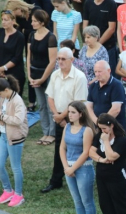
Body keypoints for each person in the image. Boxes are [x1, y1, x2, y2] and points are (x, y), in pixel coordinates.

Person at [42, 47, 88, 194]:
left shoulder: (79, 77)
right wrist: (57, 116)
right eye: (59, 59)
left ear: (72, 60)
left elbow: (78, 102)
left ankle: (78, 177)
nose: (60, 61)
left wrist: (62, 118)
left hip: (75, 117)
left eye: (63, 59)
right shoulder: (55, 75)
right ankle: (56, 181)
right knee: (59, 149)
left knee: (76, 148)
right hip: (58, 115)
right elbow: (50, 97)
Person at [89, 113, 126, 214]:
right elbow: (91, 152)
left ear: (111, 125)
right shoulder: (98, 137)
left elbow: (112, 156)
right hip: (102, 175)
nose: (103, 132)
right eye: (100, 129)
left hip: (117, 176)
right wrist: (101, 160)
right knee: (105, 202)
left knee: (120, 201)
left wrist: (106, 141)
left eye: (104, 128)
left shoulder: (121, 140)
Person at [59, 101, 97, 214]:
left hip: (83, 169)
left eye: (73, 112)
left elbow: (86, 152)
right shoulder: (67, 127)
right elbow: (62, 148)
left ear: (81, 114)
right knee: (77, 200)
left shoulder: (86, 130)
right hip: (69, 168)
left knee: (87, 200)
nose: (70, 115)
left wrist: (72, 168)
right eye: (69, 112)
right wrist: (66, 167)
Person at [0, 76, 28, 207]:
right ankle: (8, 190)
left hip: (15, 137)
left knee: (15, 167)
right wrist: (0, 116)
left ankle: (19, 194)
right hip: (4, 135)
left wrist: (2, 117)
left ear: (6, 89)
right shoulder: (3, 98)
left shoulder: (17, 101)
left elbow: (18, 120)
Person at [27, 9, 57, 147]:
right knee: (41, 105)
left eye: (34, 21)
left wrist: (43, 78)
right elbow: (28, 56)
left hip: (47, 74)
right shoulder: (31, 35)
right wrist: (29, 75)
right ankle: (45, 131)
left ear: (42, 22)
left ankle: (52, 133)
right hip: (34, 73)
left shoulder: (51, 37)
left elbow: (52, 61)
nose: (32, 23)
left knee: (50, 105)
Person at [87, 60, 126, 131]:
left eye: (99, 71)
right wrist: (97, 122)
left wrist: (102, 123)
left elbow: (116, 109)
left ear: (109, 70)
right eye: (95, 72)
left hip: (114, 127)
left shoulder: (117, 85)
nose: (97, 74)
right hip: (96, 126)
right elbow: (89, 107)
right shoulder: (93, 86)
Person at [82, 0, 118, 74]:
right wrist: (87, 39)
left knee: (108, 73)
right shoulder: (88, 3)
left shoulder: (111, 3)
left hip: (108, 46)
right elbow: (85, 24)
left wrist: (97, 44)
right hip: (91, 46)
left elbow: (111, 28)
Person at [0, 10, 26, 96]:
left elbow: (17, 57)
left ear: (13, 21)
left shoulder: (19, 36)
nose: (3, 22)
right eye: (2, 19)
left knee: (12, 100)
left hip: (14, 73)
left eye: (6, 20)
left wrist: (3, 69)